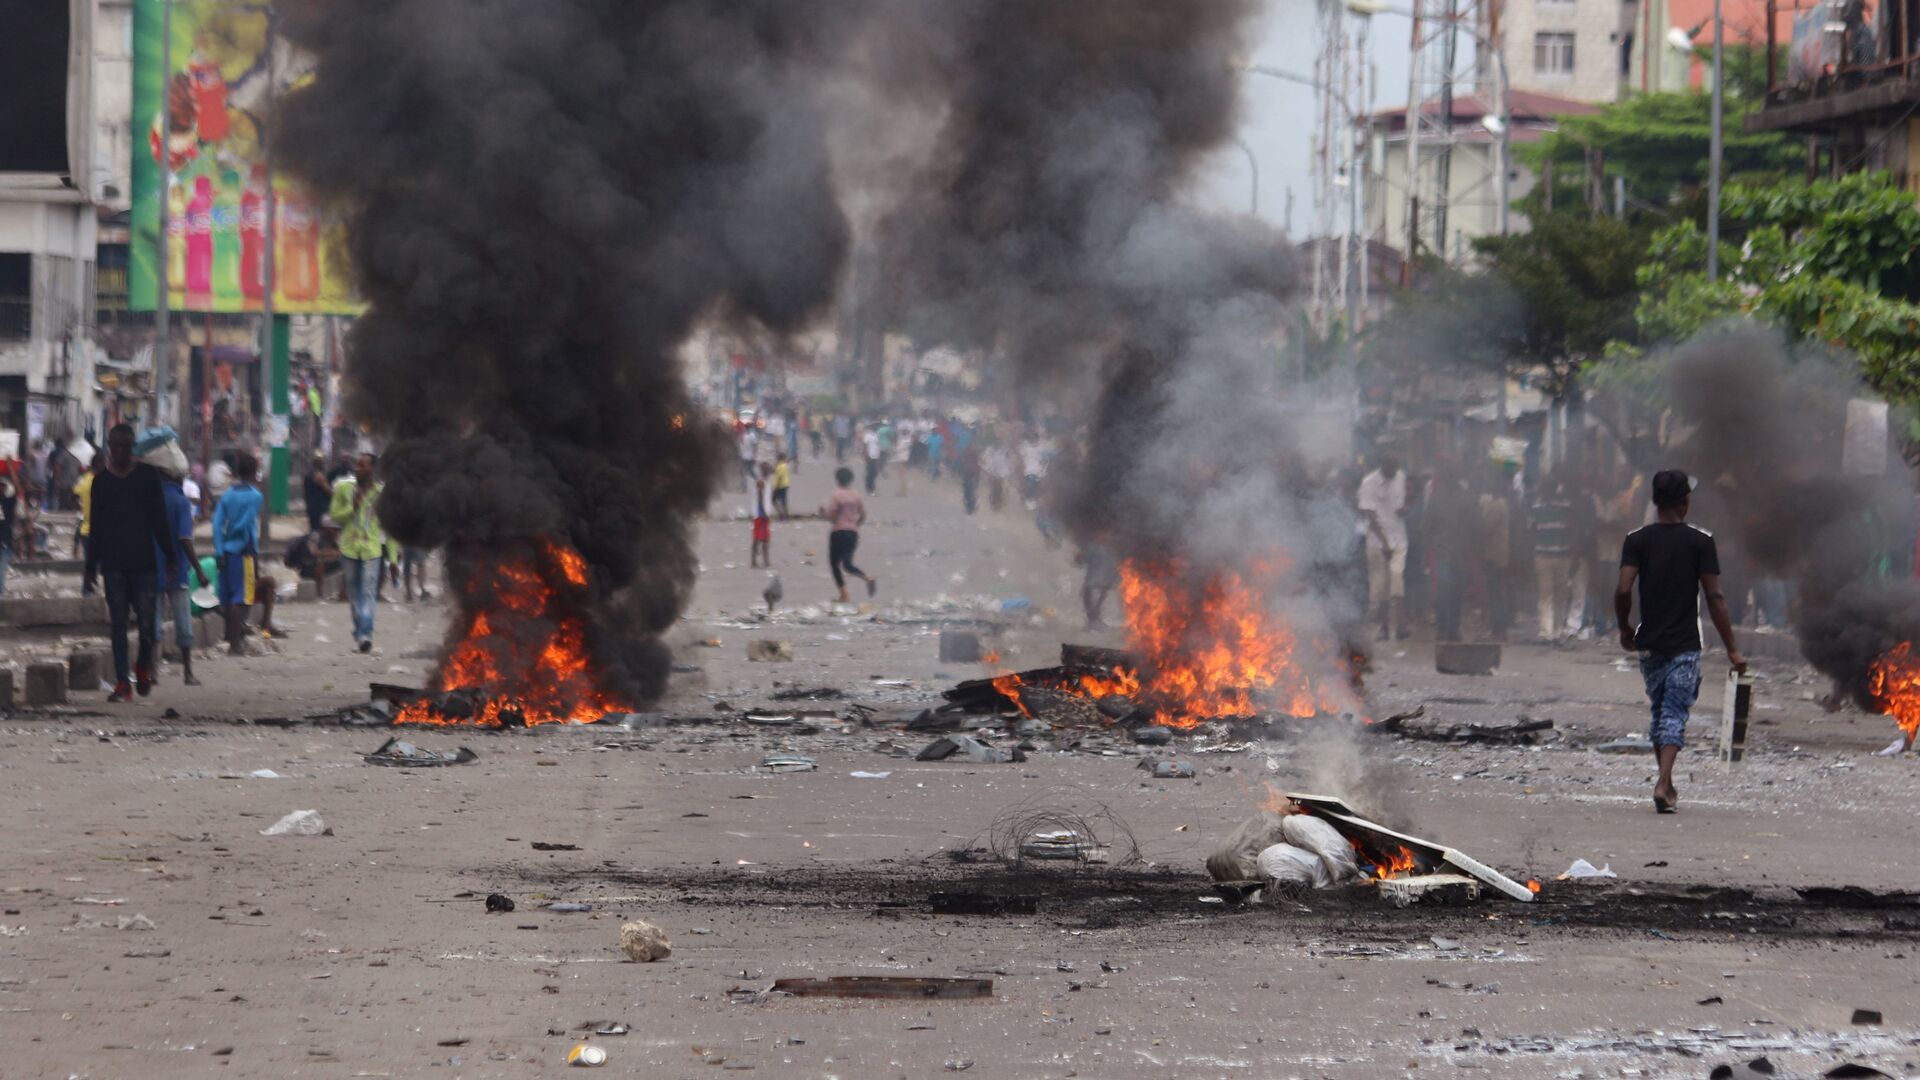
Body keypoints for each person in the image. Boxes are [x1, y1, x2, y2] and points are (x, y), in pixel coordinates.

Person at [1615, 469, 1745, 814]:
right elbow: (1715, 597)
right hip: (1685, 644)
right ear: (1685, 503)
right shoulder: (1701, 541)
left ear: (1655, 502)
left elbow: (1624, 588)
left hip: (1650, 644)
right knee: (1674, 712)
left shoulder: (1637, 540)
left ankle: (1666, 781)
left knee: (1660, 711)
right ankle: (1663, 782)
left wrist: (1624, 628)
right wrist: (1732, 647)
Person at [84, 424, 176, 701]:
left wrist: (170, 554)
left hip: (143, 562)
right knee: (118, 625)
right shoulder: (100, 482)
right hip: (113, 565)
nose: (121, 450)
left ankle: (143, 664)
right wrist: (90, 567)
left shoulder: (147, 477)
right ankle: (123, 681)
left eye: (126, 445)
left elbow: (160, 519)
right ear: (109, 446)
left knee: (148, 624)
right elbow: (95, 527)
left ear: (132, 446)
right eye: (116, 445)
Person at [153, 465, 211, 685]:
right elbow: (185, 538)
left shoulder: (152, 501)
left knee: (154, 623)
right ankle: (187, 673)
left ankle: (153, 672)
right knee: (183, 622)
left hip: (154, 568)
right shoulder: (181, 503)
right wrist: (198, 569)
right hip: (177, 570)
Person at [330, 452, 387, 653]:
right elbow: (335, 516)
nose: (358, 469)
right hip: (349, 548)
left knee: (368, 592)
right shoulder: (344, 488)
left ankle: (365, 635)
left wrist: (395, 558)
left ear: (373, 469)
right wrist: (352, 508)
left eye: (363, 466)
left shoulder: (381, 494)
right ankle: (359, 630)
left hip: (372, 548)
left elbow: (388, 525)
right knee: (354, 595)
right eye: (358, 465)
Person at [211, 452, 266, 655]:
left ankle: (231, 636)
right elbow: (247, 525)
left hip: (225, 550)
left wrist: (219, 549)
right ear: (253, 472)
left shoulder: (228, 494)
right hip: (244, 551)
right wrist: (245, 545)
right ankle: (235, 644)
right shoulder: (255, 496)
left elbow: (217, 524)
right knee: (241, 597)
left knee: (226, 597)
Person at [1356, 452, 1408, 641]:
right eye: (1391, 469)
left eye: (1396, 468)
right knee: (1381, 588)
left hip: (1399, 539)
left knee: (1397, 585)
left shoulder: (1401, 477)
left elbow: (1406, 499)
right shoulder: (1368, 483)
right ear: (1383, 467)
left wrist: (1406, 508)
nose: (1394, 472)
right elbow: (1370, 516)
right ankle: (1384, 628)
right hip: (1377, 544)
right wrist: (1385, 543)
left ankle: (1401, 626)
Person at [1529, 470, 1583, 641]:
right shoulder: (1542, 508)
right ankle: (1550, 631)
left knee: (1555, 594)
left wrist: (1574, 555)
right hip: (1550, 556)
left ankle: (1553, 631)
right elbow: (1531, 533)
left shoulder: (1563, 508)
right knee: (1552, 594)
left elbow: (1574, 532)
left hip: (1554, 556)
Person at [820, 466, 876, 602]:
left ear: (837, 479)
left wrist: (823, 513)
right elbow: (862, 514)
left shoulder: (836, 495)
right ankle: (867, 577)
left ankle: (844, 594)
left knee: (834, 564)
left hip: (838, 533)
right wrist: (855, 525)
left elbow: (832, 517)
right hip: (852, 533)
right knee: (847, 564)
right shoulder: (856, 495)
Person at [1477, 466, 1515, 641]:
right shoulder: (1501, 503)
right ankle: (1499, 629)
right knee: (1497, 592)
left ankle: (1499, 630)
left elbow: (1486, 528)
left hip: (1495, 555)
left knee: (1495, 594)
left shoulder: (1497, 505)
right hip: (1499, 555)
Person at [73, 456, 98, 590]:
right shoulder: (100, 481)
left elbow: (75, 495)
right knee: (95, 563)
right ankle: (88, 588)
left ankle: (87, 589)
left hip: (85, 526)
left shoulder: (83, 480)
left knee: (90, 561)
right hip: (96, 529)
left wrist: (81, 505)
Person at [303, 451, 333, 534]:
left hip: (311, 506)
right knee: (319, 531)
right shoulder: (318, 476)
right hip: (319, 508)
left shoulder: (308, 474)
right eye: (321, 461)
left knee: (314, 530)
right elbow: (329, 491)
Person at [750, 461, 773, 569]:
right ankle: (757, 561)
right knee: (759, 539)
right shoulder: (761, 482)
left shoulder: (766, 481)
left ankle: (763, 561)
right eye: (767, 469)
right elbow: (760, 498)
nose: (769, 471)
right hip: (760, 515)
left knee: (763, 539)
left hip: (762, 514)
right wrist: (765, 513)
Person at [862, 424, 884, 496]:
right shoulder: (867, 435)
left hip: (876, 456)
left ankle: (872, 488)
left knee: (875, 473)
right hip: (870, 456)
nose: (875, 428)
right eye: (873, 427)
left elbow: (879, 446)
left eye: (876, 427)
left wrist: (880, 456)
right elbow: (865, 446)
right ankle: (870, 489)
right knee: (870, 473)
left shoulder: (878, 436)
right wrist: (866, 455)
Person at [771, 453, 791, 521]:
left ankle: (781, 515)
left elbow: (779, 477)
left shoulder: (779, 467)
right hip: (786, 485)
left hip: (780, 486)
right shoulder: (785, 465)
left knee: (773, 500)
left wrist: (775, 487)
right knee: (784, 501)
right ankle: (786, 516)